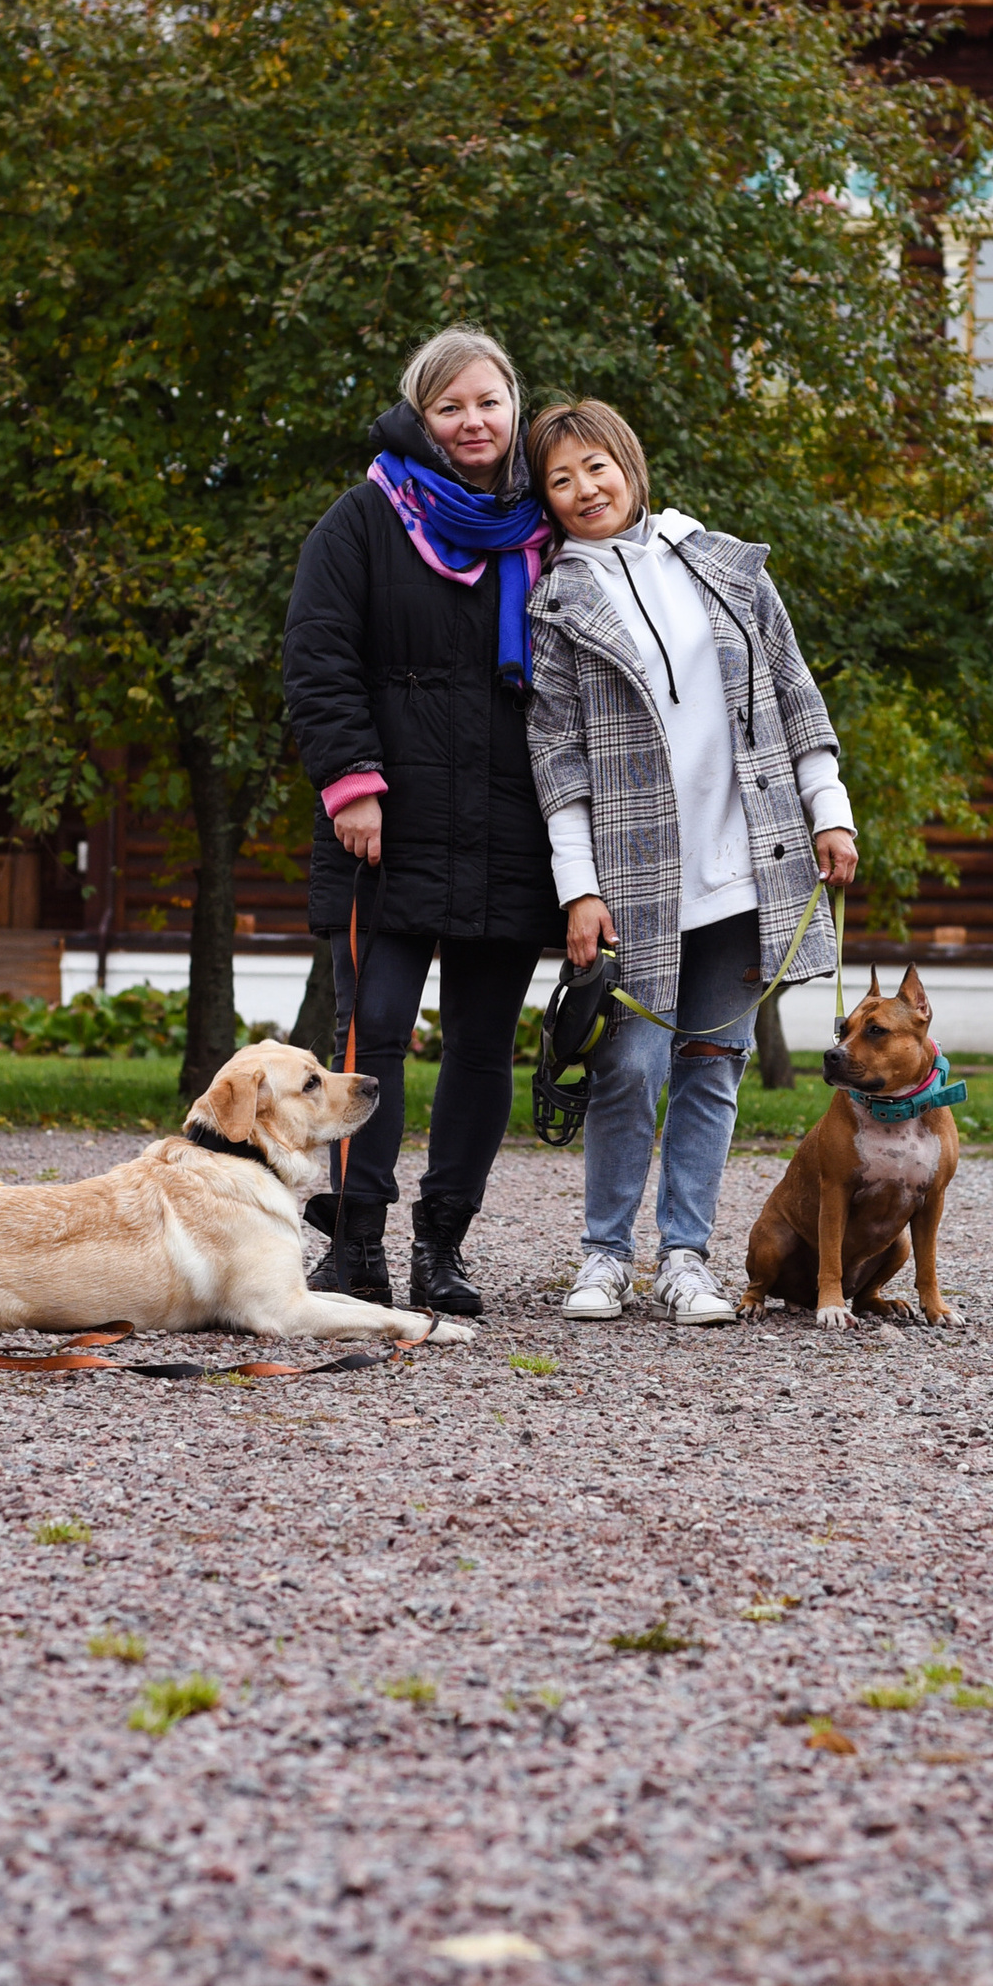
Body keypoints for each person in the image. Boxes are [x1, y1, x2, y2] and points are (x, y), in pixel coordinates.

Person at [524, 397, 858, 1325]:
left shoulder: (725, 564)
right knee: (630, 1065)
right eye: (561, 479)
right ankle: (603, 1257)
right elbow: (557, 760)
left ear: (629, 465)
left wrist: (830, 812)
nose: (585, 488)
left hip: (747, 867)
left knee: (713, 1063)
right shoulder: (555, 606)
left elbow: (796, 695)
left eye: (597, 466)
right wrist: (578, 889)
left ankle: (684, 1259)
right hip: (633, 882)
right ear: (547, 501)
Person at [280, 329, 561, 1317]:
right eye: (450, 407)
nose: (472, 422)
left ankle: (443, 1246)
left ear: (513, 407)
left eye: (488, 402)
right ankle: (355, 1244)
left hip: (512, 825)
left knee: (482, 1047)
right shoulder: (363, 518)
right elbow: (317, 655)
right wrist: (351, 783)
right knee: (373, 1037)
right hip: (386, 826)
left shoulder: (547, 525)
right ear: (420, 417)